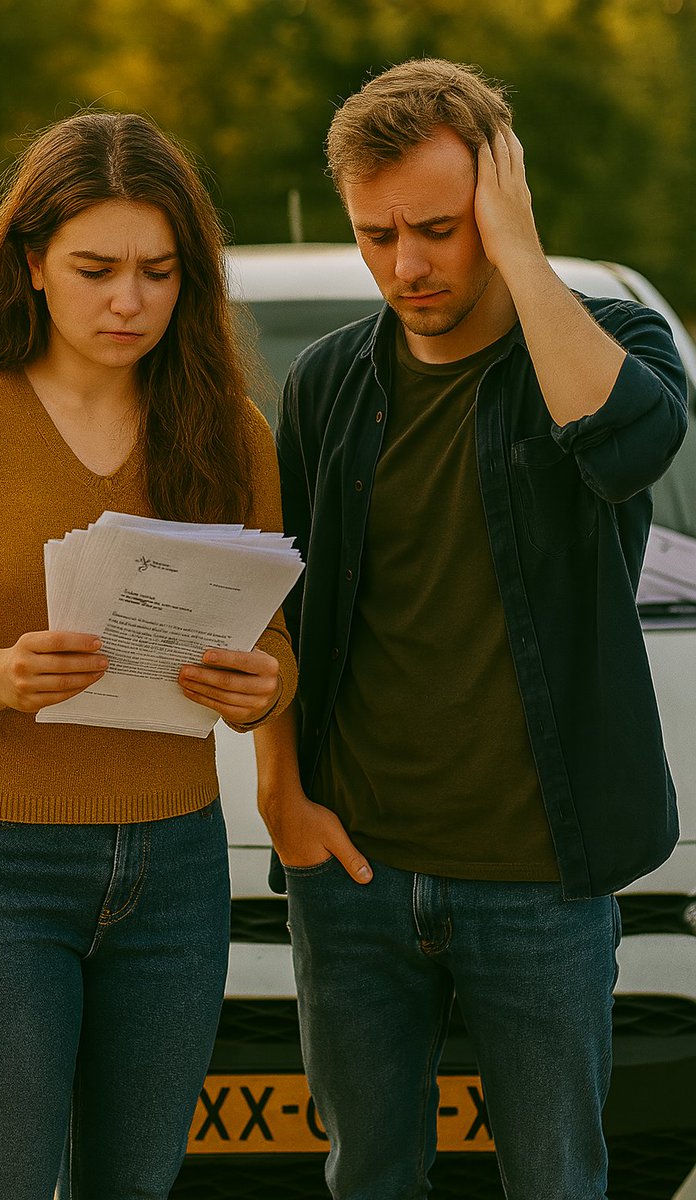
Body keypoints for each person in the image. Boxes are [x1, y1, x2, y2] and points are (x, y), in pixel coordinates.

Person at [253, 58, 687, 1200]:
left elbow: (630, 446)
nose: (405, 264)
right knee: (367, 1178)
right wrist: (279, 793)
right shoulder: (326, 384)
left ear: (499, 202)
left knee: (556, 1181)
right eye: (376, 234)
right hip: (353, 876)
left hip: (541, 885)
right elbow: (277, 604)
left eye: (438, 229)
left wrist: (520, 253)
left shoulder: (609, 342)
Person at [0, 111, 297, 1200]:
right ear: (31, 263)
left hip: (175, 869)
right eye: (96, 269)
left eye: (158, 273)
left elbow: (269, 640)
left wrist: (262, 686)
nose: (129, 301)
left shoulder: (230, 429)